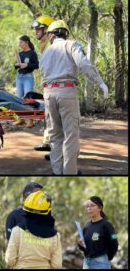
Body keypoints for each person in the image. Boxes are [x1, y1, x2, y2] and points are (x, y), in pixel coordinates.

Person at [40, 20, 108, 175]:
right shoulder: (71, 45)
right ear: (65, 33)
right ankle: (70, 172)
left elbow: (42, 72)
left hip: (48, 94)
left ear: (51, 35)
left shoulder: (45, 53)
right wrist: (101, 83)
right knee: (70, 135)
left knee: (55, 135)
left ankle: (57, 173)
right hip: (66, 92)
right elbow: (83, 64)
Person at [5, 190, 62, 269]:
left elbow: (10, 260)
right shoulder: (55, 236)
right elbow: (57, 265)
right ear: (48, 212)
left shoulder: (16, 231)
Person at [31, 15, 55, 155]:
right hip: (48, 85)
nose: (36, 32)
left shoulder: (52, 45)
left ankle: (56, 149)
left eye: (38, 29)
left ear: (47, 29)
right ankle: (48, 142)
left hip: (55, 87)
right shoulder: (44, 44)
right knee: (48, 115)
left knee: (54, 117)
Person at [78, 196, 118, 269]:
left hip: (101, 263)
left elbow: (114, 242)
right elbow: (86, 248)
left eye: (92, 205)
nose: (89, 208)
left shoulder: (107, 225)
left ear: (100, 208)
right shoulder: (87, 226)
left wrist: (108, 258)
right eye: (87, 206)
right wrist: (81, 245)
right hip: (86, 263)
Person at [13, 35, 39, 128]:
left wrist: (26, 65)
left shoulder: (32, 53)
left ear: (26, 42)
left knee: (28, 98)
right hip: (19, 77)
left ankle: (30, 120)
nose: (19, 44)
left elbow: (36, 65)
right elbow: (15, 66)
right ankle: (20, 119)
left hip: (28, 77)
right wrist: (17, 64)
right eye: (19, 43)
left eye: (21, 42)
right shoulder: (20, 54)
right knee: (19, 98)